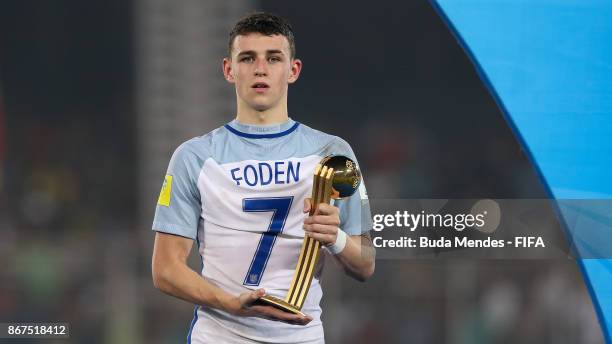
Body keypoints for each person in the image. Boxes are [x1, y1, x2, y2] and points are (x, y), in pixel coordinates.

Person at [151, 12, 375, 344]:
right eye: (247, 58)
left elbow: (366, 262)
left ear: (293, 70)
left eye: (273, 58)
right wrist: (233, 305)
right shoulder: (194, 157)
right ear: (228, 70)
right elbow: (165, 269)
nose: (260, 68)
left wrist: (336, 238)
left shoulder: (333, 153)